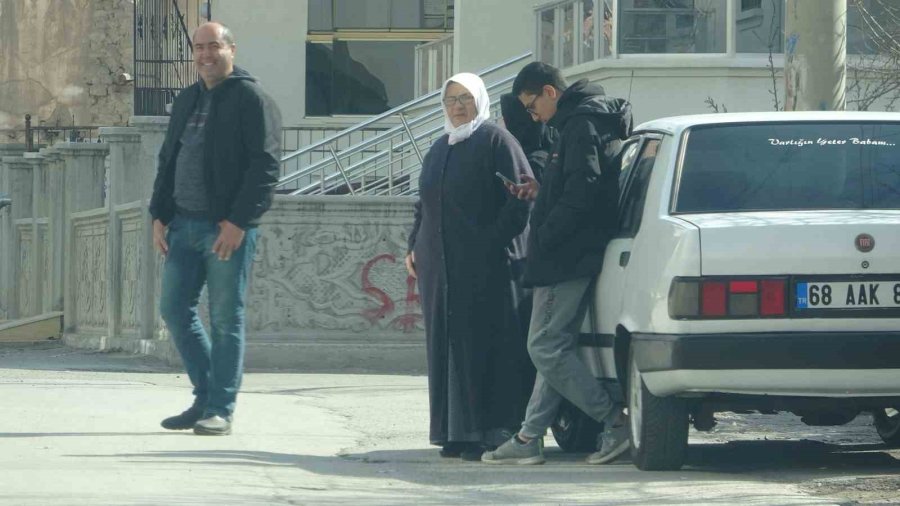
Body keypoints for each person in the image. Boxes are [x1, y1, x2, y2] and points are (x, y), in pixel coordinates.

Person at [481, 62, 633, 465]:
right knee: (555, 346)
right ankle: (530, 436)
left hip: (565, 254)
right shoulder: (586, 121)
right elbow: (577, 182)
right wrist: (541, 188)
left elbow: (582, 193)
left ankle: (614, 422)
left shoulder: (580, 124)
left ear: (550, 92)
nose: (533, 116)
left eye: (532, 106)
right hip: (574, 251)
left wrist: (545, 234)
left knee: (545, 346)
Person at [149, 22, 282, 436]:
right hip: (182, 225)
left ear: (231, 49)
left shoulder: (252, 99)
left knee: (226, 320)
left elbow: (266, 167)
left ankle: (220, 409)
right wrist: (158, 214)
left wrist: (240, 221)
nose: (206, 54)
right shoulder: (187, 99)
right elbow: (168, 159)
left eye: (214, 46)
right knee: (173, 309)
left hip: (225, 229)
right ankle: (204, 396)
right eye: (199, 47)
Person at [405, 73, 531, 461]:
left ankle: (490, 430)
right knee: (448, 349)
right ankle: (454, 432)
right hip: (440, 270)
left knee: (483, 347)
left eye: (465, 98)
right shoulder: (440, 147)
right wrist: (413, 245)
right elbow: (424, 203)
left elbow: (522, 198)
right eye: (451, 100)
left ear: (480, 100)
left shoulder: (496, 142)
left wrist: (489, 244)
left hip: (486, 271)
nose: (458, 106)